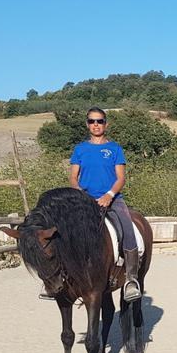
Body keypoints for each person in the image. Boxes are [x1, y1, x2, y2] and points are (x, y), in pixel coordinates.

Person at [67, 107, 142, 302]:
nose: (96, 125)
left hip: (113, 199)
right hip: (85, 200)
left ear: (106, 124)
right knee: (64, 230)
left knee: (127, 228)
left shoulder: (115, 149)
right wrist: (80, 193)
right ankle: (63, 277)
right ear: (87, 124)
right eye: (92, 121)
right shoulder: (80, 149)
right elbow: (73, 178)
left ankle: (131, 280)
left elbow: (121, 178)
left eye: (99, 121)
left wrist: (109, 195)